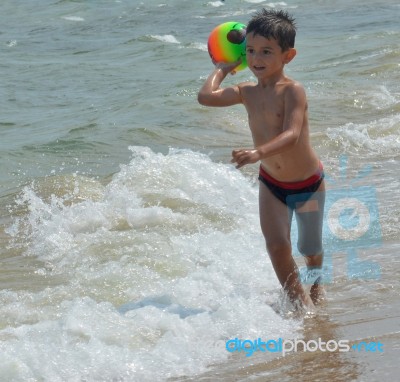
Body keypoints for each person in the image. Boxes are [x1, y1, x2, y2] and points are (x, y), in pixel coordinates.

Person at [198, 9, 325, 311]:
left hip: (308, 183)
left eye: (267, 51)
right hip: (272, 184)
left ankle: (317, 282)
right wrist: (222, 68)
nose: (257, 58)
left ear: (288, 56)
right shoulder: (246, 92)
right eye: (251, 51)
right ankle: (302, 308)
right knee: (277, 245)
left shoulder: (293, 91)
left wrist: (257, 153)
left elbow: (292, 134)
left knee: (310, 248)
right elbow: (206, 97)